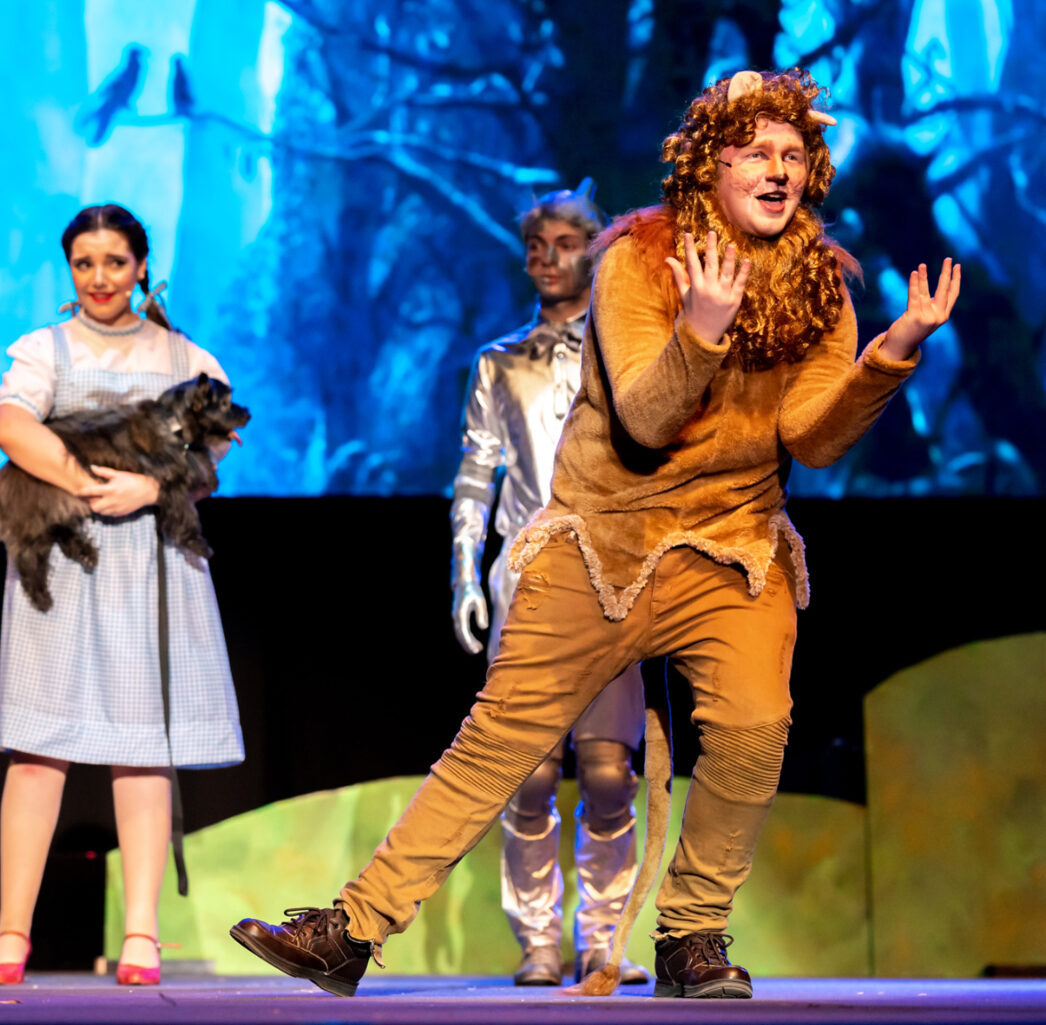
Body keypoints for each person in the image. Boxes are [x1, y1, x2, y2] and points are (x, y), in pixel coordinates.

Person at [230, 68, 959, 999]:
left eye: (791, 156)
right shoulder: (638, 260)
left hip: (732, 548)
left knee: (753, 729)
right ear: (712, 164)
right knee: (503, 735)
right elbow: (646, 422)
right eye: (755, 155)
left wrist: (890, 355)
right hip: (603, 541)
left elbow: (810, 437)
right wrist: (701, 330)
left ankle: (691, 935)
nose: (776, 172)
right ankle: (353, 928)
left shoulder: (821, 285)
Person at [0, 203, 244, 986]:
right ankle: (11, 933)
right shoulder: (44, 349)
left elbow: (212, 459)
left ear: (141, 267)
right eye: (84, 263)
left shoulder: (184, 356)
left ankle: (141, 934)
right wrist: (88, 482)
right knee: (39, 748)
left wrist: (150, 484)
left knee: (141, 749)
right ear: (70, 270)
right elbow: (9, 424)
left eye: (115, 262)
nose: (99, 278)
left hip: (152, 563)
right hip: (66, 555)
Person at [451, 184, 647, 986]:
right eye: (537, 246)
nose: (547, 258)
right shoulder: (500, 363)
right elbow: (475, 473)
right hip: (529, 574)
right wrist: (466, 570)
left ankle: (604, 935)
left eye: (565, 242)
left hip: (614, 574)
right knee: (527, 768)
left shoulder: (628, 354)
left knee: (607, 770)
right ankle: (538, 938)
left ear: (597, 250)